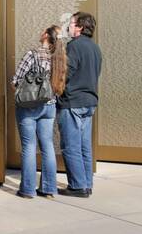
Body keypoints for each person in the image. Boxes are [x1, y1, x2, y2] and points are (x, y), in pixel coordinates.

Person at [11, 25, 66, 199]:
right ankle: (49, 189)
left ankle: (28, 190)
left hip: (28, 107)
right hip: (49, 106)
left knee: (29, 146)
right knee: (48, 146)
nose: (40, 32)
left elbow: (16, 80)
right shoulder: (59, 58)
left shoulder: (32, 54)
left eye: (43, 30)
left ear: (46, 36)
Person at [57, 11, 102, 197]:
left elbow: (67, 72)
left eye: (72, 23)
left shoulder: (74, 46)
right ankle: (86, 184)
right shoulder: (95, 48)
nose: (69, 25)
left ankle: (77, 186)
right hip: (89, 101)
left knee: (70, 146)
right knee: (84, 147)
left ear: (80, 27)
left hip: (73, 102)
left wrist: (58, 89)